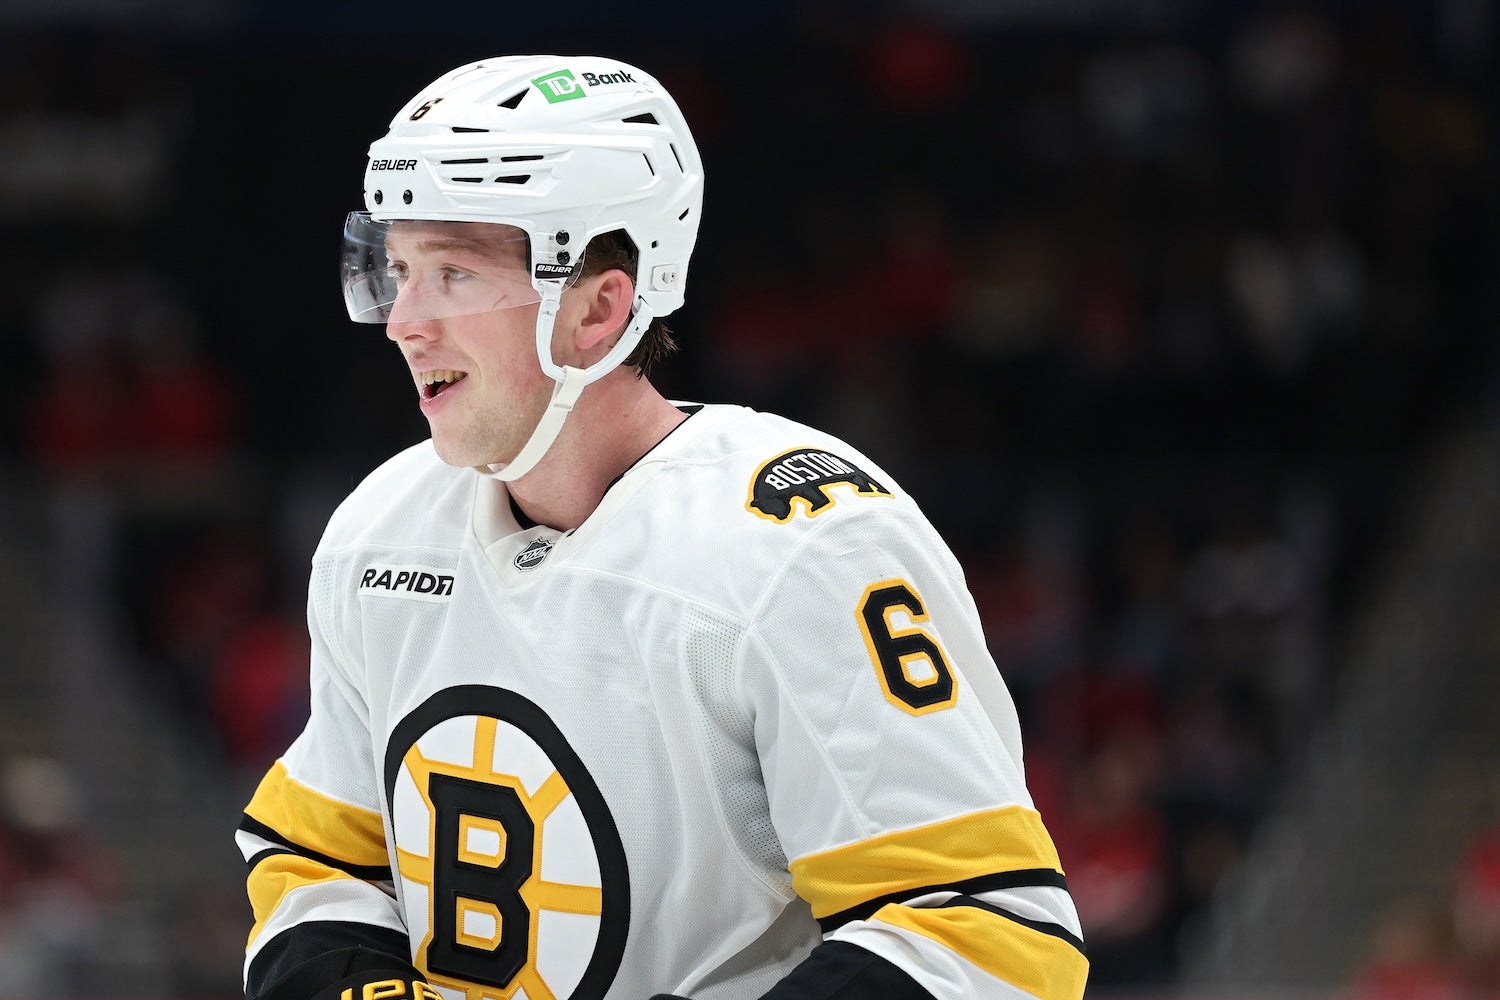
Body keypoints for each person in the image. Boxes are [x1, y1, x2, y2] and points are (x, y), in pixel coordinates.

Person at [236, 54, 1088, 1000]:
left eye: (454, 274)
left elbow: (984, 931)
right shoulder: (382, 531)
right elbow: (319, 859)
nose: (404, 323)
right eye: (395, 271)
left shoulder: (806, 545)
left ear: (600, 308)